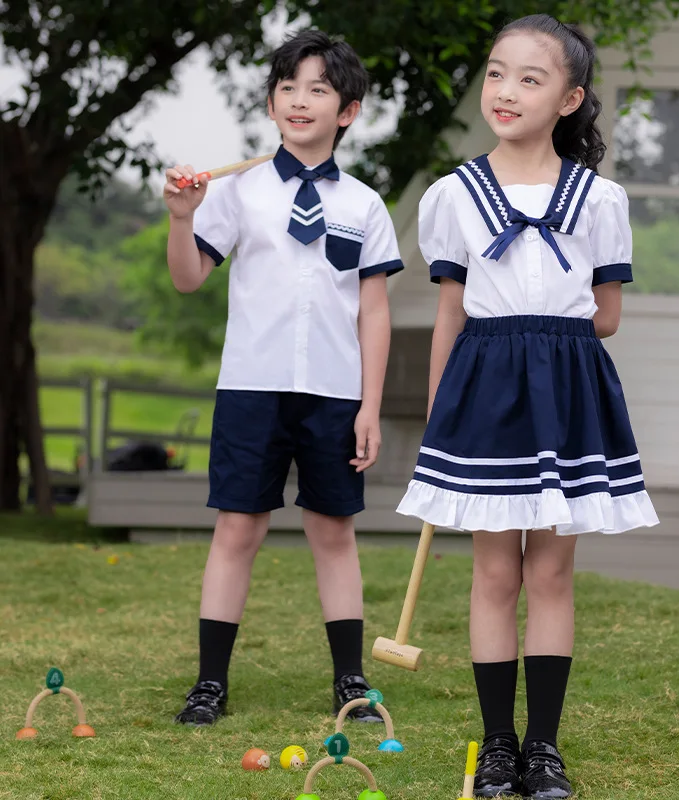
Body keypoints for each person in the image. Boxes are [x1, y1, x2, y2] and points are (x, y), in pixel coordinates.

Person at [397, 14, 658, 799]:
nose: (505, 91)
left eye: (530, 79)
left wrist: (547, 330)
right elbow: (451, 313)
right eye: (496, 73)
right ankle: (500, 746)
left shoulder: (600, 199)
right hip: (485, 395)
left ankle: (544, 747)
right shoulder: (453, 193)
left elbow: (606, 312)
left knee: (550, 572)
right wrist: (443, 415)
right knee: (493, 574)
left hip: (568, 394)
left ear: (571, 99)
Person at [162, 30, 403, 727]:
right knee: (237, 528)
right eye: (288, 87)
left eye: (318, 89)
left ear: (347, 111)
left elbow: (375, 313)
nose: (300, 100)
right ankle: (210, 683)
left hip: (335, 393)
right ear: (271, 101)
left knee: (334, 532)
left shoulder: (364, 205)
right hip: (250, 385)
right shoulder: (236, 193)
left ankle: (351, 683)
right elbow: (187, 279)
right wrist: (182, 219)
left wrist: (370, 405)